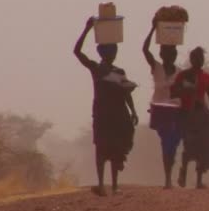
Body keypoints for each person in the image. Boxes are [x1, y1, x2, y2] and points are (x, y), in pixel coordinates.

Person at [73, 17, 138, 196]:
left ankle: (115, 185)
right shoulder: (96, 68)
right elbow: (77, 52)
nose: (113, 52)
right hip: (102, 114)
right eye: (110, 50)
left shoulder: (119, 72)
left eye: (114, 49)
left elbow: (126, 93)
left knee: (117, 149)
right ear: (101, 52)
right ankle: (101, 184)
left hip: (118, 114)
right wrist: (86, 29)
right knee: (101, 148)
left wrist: (133, 111)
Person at [171, 47, 209, 189]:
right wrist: (185, 90)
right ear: (192, 60)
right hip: (186, 114)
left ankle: (198, 180)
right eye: (197, 59)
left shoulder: (205, 77)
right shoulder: (183, 75)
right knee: (190, 145)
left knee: (206, 146)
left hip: (203, 115)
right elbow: (172, 93)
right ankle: (183, 171)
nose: (200, 61)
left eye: (201, 59)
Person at [142, 20, 182, 189]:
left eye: (172, 52)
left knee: (172, 144)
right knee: (166, 142)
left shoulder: (180, 72)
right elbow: (145, 49)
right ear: (161, 54)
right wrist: (152, 29)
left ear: (175, 55)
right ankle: (167, 178)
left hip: (176, 112)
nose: (169, 55)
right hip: (160, 111)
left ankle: (170, 174)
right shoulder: (156, 68)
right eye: (166, 52)